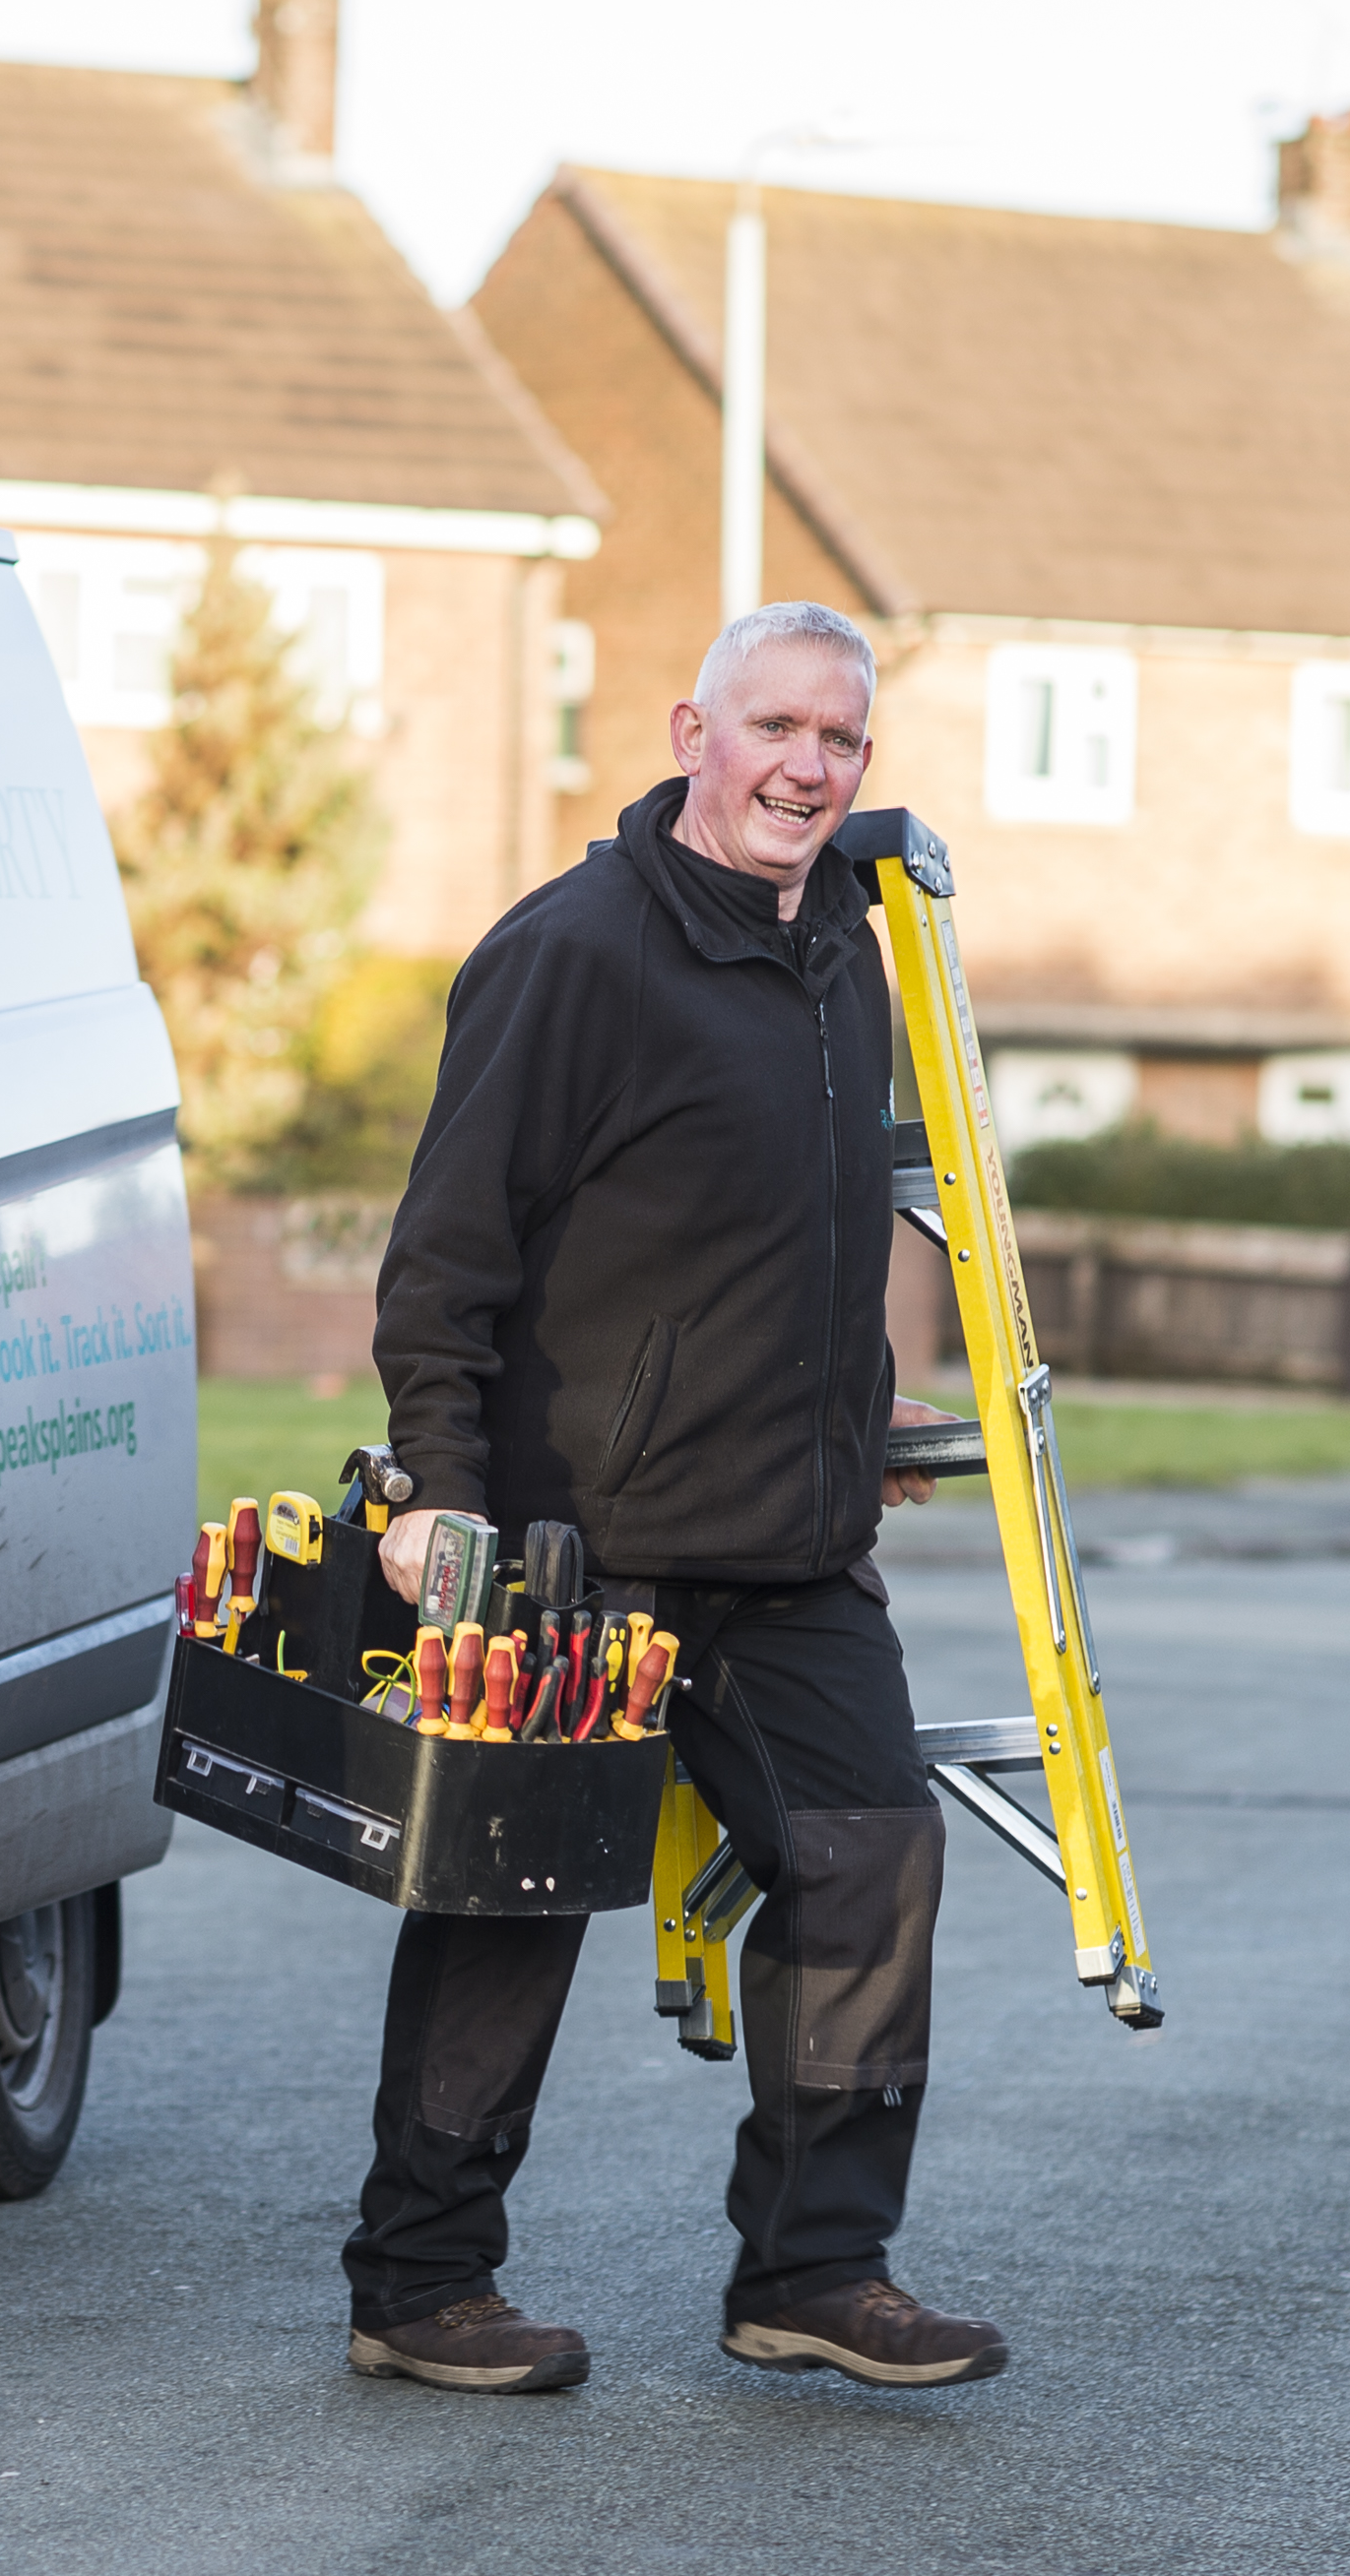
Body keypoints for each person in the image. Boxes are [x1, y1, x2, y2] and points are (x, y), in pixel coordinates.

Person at [338, 599, 1000, 2398]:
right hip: (577, 1548)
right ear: (690, 728)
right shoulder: (574, 953)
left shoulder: (847, 961)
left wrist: (855, 1417)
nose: (806, 768)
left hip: (791, 1551)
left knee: (872, 1860)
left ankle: (814, 2270)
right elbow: (445, 1257)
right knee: (509, 1900)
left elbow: (805, 1243)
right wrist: (438, 1496)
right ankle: (420, 2285)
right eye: (774, 728)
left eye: (840, 742)